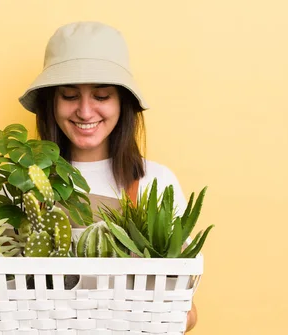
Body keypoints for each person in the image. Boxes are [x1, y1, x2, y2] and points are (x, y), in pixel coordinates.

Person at [18, 21, 198, 332]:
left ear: (122, 103)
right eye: (70, 95)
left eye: (101, 96)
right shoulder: (23, 183)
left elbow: (189, 313)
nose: (85, 112)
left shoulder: (156, 183)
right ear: (52, 102)